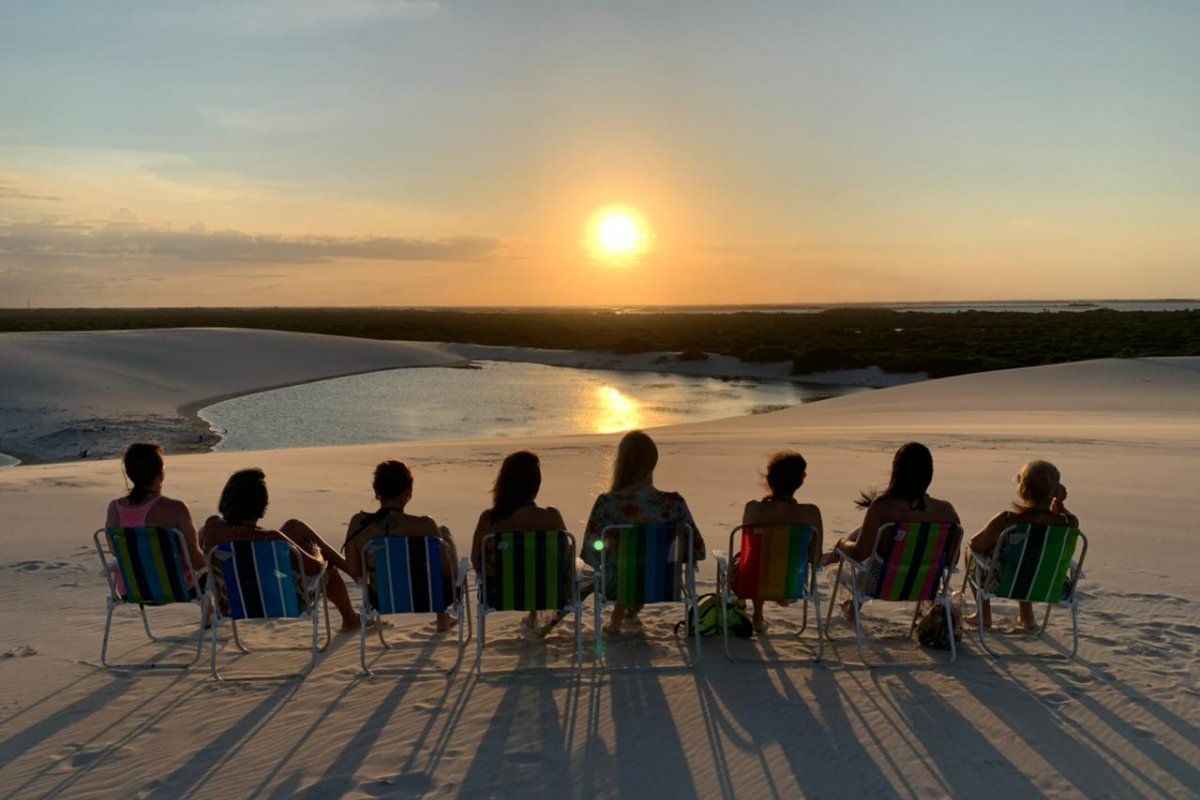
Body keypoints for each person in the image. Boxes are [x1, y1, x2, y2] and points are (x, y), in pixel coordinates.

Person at [199, 468, 361, 631]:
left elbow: (204, 553)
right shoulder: (272, 539)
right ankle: (351, 618)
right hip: (276, 602)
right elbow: (315, 568)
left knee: (294, 526)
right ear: (261, 506)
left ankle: (351, 570)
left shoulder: (212, 528)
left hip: (232, 603)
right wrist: (316, 552)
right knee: (328, 570)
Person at [582, 430, 705, 635]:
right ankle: (629, 609)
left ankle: (618, 617)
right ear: (653, 462)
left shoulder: (607, 504)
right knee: (644, 560)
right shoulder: (673, 504)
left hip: (616, 586)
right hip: (662, 583)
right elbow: (697, 550)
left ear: (620, 463)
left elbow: (591, 554)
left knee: (623, 565)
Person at [823, 442, 960, 620]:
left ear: (897, 472)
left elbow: (859, 552)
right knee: (866, 534)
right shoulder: (946, 511)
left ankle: (852, 605)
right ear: (929, 474)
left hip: (880, 584)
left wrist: (840, 544)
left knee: (864, 545)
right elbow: (952, 560)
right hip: (924, 585)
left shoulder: (882, 507)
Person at [343, 460, 459, 632]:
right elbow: (449, 572)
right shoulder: (425, 525)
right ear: (408, 493)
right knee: (444, 534)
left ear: (376, 492)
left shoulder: (358, 524)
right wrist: (447, 542)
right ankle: (442, 618)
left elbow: (355, 573)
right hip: (428, 597)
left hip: (381, 598)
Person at [965, 460, 1077, 631]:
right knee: (1032, 560)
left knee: (971, 553)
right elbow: (1069, 523)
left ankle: (983, 615)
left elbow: (975, 545)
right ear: (1056, 490)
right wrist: (1060, 506)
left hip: (1006, 583)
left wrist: (994, 548)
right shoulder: (1069, 522)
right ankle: (1027, 617)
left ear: (1023, 489)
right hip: (1051, 585)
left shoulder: (1008, 520)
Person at [471, 450, 567, 630]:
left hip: (499, 594)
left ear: (503, 484)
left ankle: (532, 616)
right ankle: (534, 614)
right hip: (548, 592)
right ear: (536, 485)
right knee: (540, 565)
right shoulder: (551, 518)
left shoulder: (488, 520)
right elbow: (564, 558)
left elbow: (476, 561)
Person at [739, 451, 823, 634]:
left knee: (754, 557)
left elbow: (752, 549)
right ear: (801, 480)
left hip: (752, 580)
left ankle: (758, 615)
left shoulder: (753, 508)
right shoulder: (810, 513)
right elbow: (815, 558)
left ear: (770, 479)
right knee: (780, 560)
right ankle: (774, 600)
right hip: (791, 582)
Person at [104, 442, 205, 589]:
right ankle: (210, 611)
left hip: (131, 588)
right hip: (177, 587)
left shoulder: (115, 509)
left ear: (129, 474)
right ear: (161, 473)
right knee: (210, 571)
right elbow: (195, 561)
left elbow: (115, 550)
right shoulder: (176, 509)